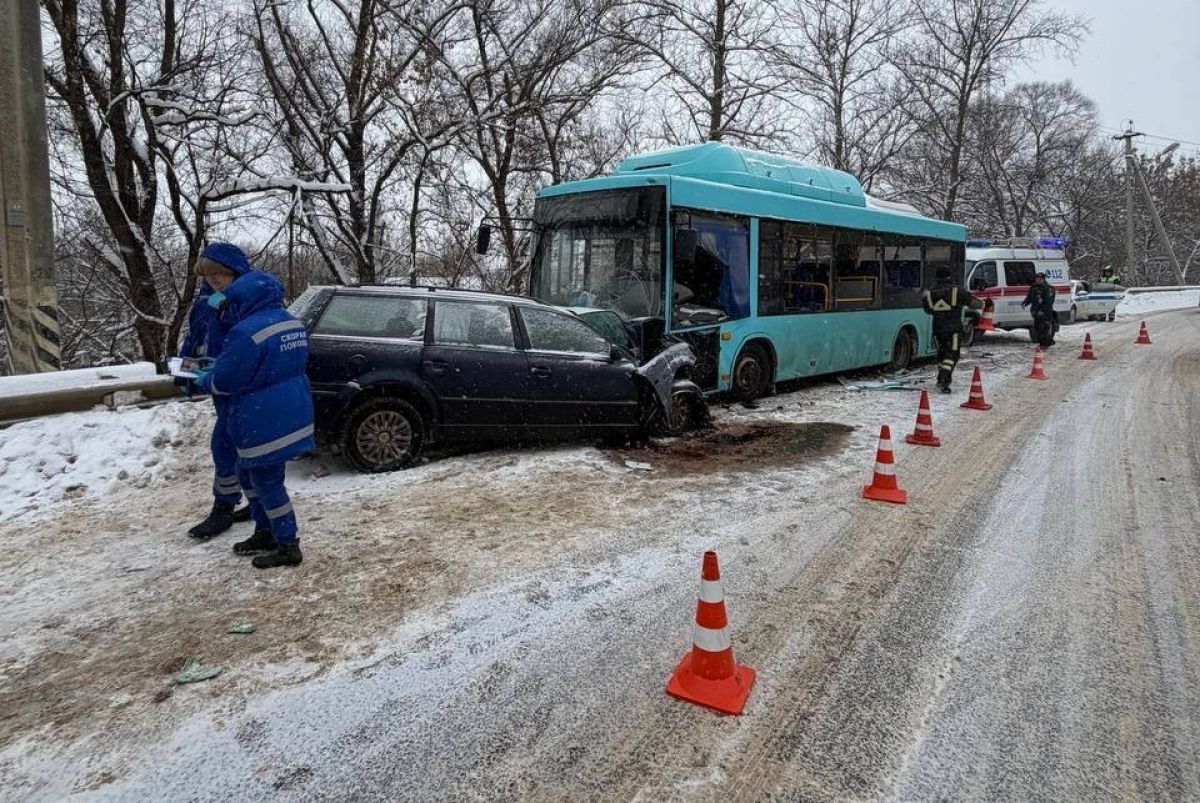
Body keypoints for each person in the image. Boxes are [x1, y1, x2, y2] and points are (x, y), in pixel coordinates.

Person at [192, 248, 315, 569]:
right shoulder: (289, 321)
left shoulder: (247, 333)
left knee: (267, 482)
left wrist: (204, 378)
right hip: (286, 412)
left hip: (260, 418)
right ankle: (266, 531)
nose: (216, 287)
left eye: (223, 284)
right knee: (253, 475)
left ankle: (287, 545)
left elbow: (228, 380)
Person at [180, 268, 250, 538]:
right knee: (235, 447)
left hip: (238, 388)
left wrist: (223, 370)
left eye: (221, 273)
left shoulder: (244, 302)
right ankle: (255, 504)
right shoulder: (206, 301)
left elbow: (245, 348)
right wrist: (186, 368)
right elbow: (196, 338)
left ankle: (224, 507)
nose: (214, 279)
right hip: (218, 384)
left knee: (226, 446)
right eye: (209, 274)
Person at [922, 266, 983, 393]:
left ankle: (942, 377)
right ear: (949, 276)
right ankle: (944, 379)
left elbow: (928, 309)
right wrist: (985, 304)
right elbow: (972, 303)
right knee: (953, 355)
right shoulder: (956, 291)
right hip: (953, 328)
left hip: (938, 328)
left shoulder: (930, 292)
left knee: (942, 354)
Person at [1022, 271, 1058, 346]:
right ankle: (1041, 343)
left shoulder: (1048, 288)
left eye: (1040, 279)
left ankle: (1047, 343)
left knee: (1044, 327)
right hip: (1035, 311)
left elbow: (1049, 301)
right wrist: (1025, 302)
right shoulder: (1033, 287)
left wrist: (1042, 310)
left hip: (1045, 312)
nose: (1038, 280)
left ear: (1043, 279)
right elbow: (1030, 297)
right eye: (1037, 278)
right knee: (1037, 328)